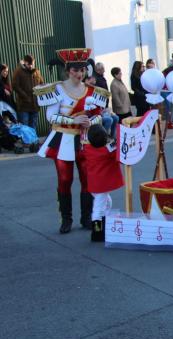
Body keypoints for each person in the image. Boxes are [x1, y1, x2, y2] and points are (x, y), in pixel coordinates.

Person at [35, 48, 108, 234]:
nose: (79, 73)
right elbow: (51, 117)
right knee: (65, 179)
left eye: (82, 70)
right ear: (68, 70)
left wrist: (89, 121)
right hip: (64, 139)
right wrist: (73, 120)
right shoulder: (57, 89)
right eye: (75, 70)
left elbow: (99, 116)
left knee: (87, 179)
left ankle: (86, 217)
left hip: (84, 139)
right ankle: (66, 219)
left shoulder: (93, 90)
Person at [85, 124, 124, 242]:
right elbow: (117, 146)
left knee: (106, 203)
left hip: (93, 184)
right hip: (101, 186)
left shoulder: (87, 149)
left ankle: (104, 223)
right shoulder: (107, 150)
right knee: (98, 209)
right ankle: (97, 233)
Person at [12, 55, 44, 130]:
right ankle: (26, 142)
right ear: (25, 62)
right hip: (24, 105)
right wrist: (25, 96)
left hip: (35, 105)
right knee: (25, 127)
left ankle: (33, 141)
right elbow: (15, 85)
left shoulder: (36, 72)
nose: (31, 66)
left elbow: (42, 84)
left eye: (32, 64)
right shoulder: (18, 71)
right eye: (29, 64)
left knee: (33, 125)